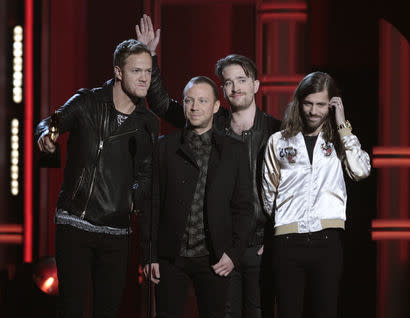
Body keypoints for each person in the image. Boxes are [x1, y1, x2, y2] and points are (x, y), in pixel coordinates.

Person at [136, 14, 279, 317]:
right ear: (221, 94)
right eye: (228, 82)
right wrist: (149, 56)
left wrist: (276, 238)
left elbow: (290, 186)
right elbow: (163, 104)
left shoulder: (276, 131)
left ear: (255, 84)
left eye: (241, 80)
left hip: (260, 243)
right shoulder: (212, 123)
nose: (235, 87)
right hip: (220, 243)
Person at [35, 39, 159, 318]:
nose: (144, 78)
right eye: (136, 70)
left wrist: (130, 200)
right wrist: (46, 136)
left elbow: (146, 175)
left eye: (148, 72)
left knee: (109, 310)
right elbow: (50, 122)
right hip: (75, 222)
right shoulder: (87, 102)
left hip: (116, 231)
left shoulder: (147, 122)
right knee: (72, 308)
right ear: (118, 72)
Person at [261, 71, 371, 318]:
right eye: (308, 103)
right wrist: (285, 219)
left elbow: (361, 170)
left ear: (331, 104)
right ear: (299, 102)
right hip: (287, 243)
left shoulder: (339, 140)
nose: (313, 111)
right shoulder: (278, 141)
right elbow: (269, 192)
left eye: (321, 104)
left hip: (327, 242)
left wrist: (342, 124)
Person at [144, 75, 253, 318]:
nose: (194, 107)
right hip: (170, 257)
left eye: (202, 101)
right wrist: (149, 255)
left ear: (215, 106)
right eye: (189, 100)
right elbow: (152, 203)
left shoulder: (234, 151)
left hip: (214, 258)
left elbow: (244, 208)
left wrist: (233, 254)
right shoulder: (164, 147)